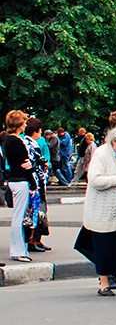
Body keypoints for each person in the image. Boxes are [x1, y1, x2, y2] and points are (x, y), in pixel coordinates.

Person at [83, 125, 116, 296]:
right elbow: (95, 180)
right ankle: (104, 283)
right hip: (103, 210)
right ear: (114, 141)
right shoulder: (101, 153)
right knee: (104, 248)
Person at [3, 110, 34, 265]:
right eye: (24, 121)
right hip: (21, 181)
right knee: (19, 217)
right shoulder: (16, 141)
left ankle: (19, 249)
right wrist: (33, 182)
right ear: (19, 123)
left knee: (17, 216)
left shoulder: (7, 140)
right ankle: (18, 250)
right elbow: (26, 164)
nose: (25, 124)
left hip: (13, 180)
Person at [23, 117, 50, 253]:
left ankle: (36, 239)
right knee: (37, 211)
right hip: (35, 182)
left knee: (38, 211)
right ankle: (32, 240)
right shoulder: (31, 144)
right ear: (35, 131)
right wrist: (44, 163)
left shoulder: (28, 142)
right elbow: (36, 161)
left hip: (36, 181)